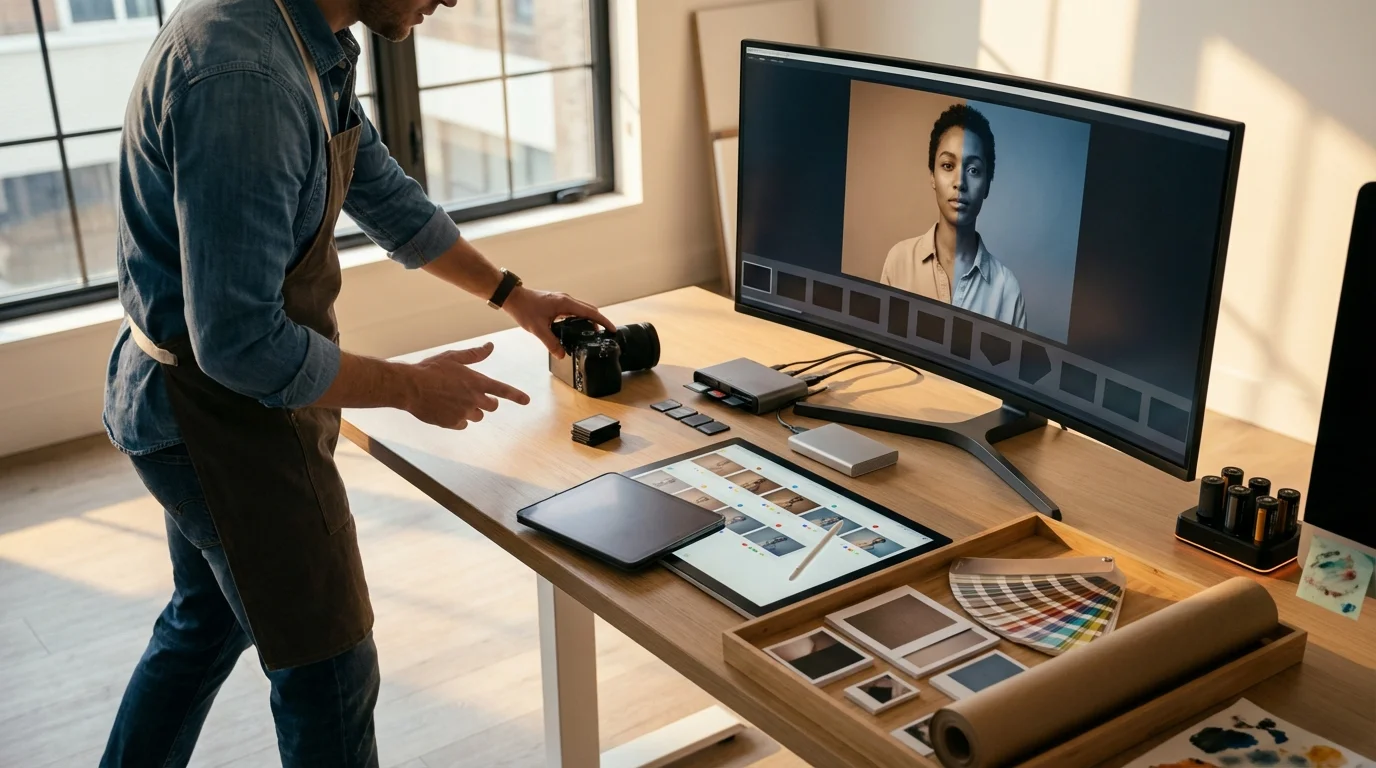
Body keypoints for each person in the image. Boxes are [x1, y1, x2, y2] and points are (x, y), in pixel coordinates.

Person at [99, 0, 613, 765]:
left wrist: (514, 295)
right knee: (329, 670)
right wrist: (409, 388)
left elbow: (380, 190)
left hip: (195, 399)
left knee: (204, 622)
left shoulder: (308, 39)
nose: (452, 0)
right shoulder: (246, 80)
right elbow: (241, 344)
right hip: (217, 420)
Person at [881, 104, 1027, 329]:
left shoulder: (1007, 289)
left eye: (974, 170)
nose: (960, 183)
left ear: (987, 184)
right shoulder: (898, 261)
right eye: (948, 165)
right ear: (932, 176)